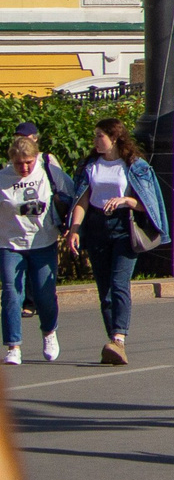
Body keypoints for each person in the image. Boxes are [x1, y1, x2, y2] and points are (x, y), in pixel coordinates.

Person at [72, 118, 165, 367]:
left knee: (118, 282)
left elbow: (149, 204)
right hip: (96, 228)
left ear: (114, 138)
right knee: (104, 289)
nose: (95, 141)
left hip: (124, 228)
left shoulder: (135, 166)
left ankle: (119, 338)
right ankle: (113, 340)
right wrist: (75, 229)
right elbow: (82, 199)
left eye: (99, 136)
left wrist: (126, 200)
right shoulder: (90, 166)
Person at [0, 131, 69, 367]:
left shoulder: (48, 172)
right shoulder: (3, 178)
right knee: (11, 292)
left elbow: (72, 195)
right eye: (19, 163)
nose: (24, 168)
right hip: (9, 244)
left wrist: (71, 226)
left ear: (35, 157)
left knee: (44, 294)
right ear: (11, 160)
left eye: (28, 162)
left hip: (43, 242)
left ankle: (49, 332)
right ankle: (13, 346)